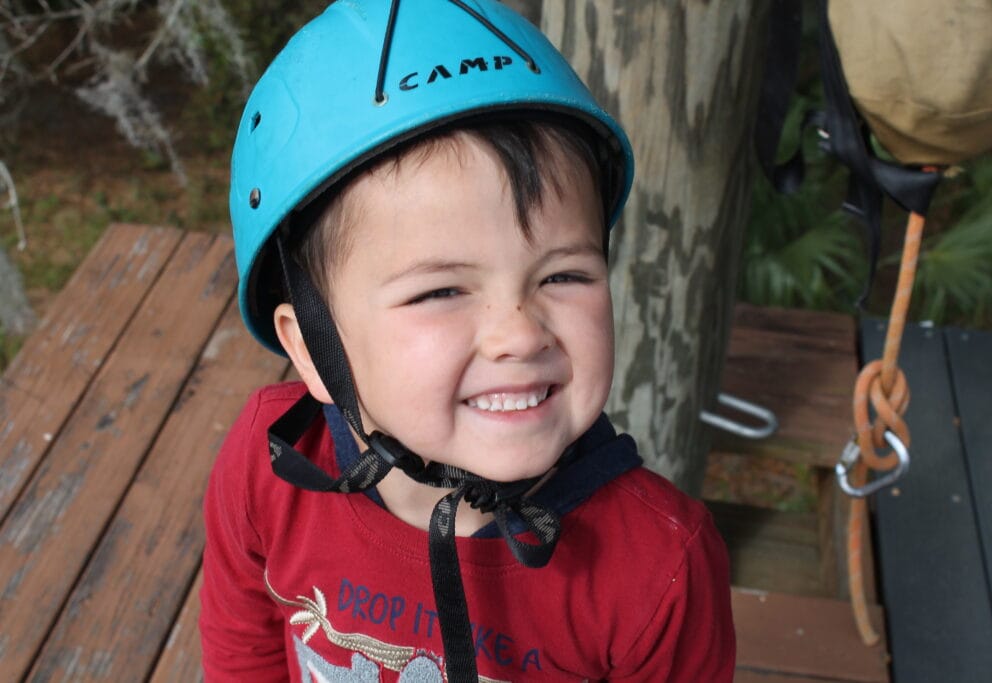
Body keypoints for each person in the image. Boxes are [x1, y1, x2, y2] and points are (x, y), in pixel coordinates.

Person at [200, 1, 735, 681]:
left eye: (564, 274)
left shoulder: (657, 567)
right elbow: (242, 651)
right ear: (309, 347)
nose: (519, 333)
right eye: (441, 291)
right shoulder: (268, 465)